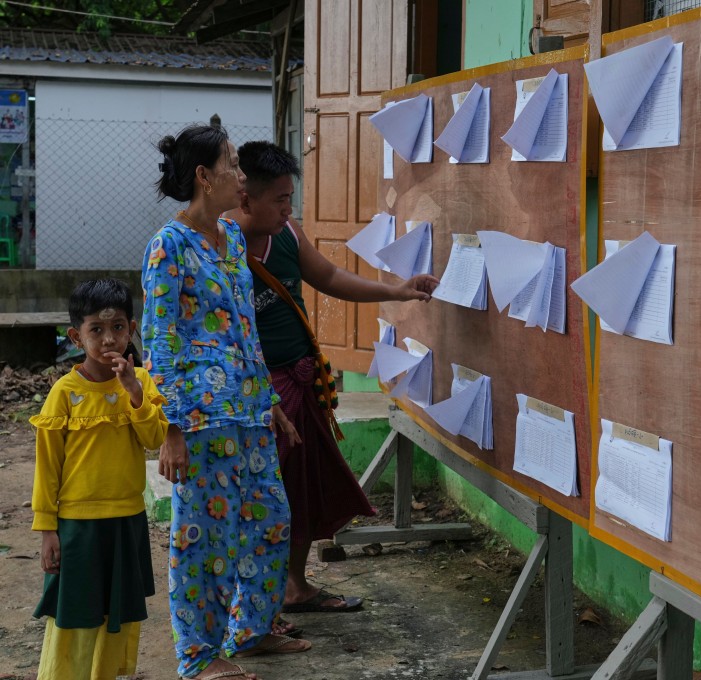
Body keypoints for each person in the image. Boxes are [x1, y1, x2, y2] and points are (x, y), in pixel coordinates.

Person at [224, 141, 438, 623]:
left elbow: (331, 277)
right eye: (279, 199)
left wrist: (397, 289)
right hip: (257, 388)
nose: (288, 208)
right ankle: (255, 600)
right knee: (261, 493)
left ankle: (295, 586)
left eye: (289, 197)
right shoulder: (218, 247)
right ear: (245, 199)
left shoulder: (287, 234)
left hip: (303, 376)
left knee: (304, 485)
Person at [143, 125, 310, 680]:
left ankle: (249, 632)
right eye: (232, 164)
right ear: (204, 175)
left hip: (250, 410)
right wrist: (170, 427)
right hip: (200, 418)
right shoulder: (168, 246)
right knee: (204, 539)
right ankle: (198, 656)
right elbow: (160, 341)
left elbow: (245, 329)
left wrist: (271, 401)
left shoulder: (232, 240)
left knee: (269, 523)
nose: (241, 176)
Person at [30, 278, 169, 679]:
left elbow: (155, 439)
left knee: (118, 614)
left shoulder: (140, 383)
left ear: (132, 329)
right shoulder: (65, 392)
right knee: (72, 615)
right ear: (76, 336)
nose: (109, 339)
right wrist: (47, 529)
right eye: (97, 330)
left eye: (119, 328)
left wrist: (133, 393)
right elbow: (48, 467)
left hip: (126, 519)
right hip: (76, 525)